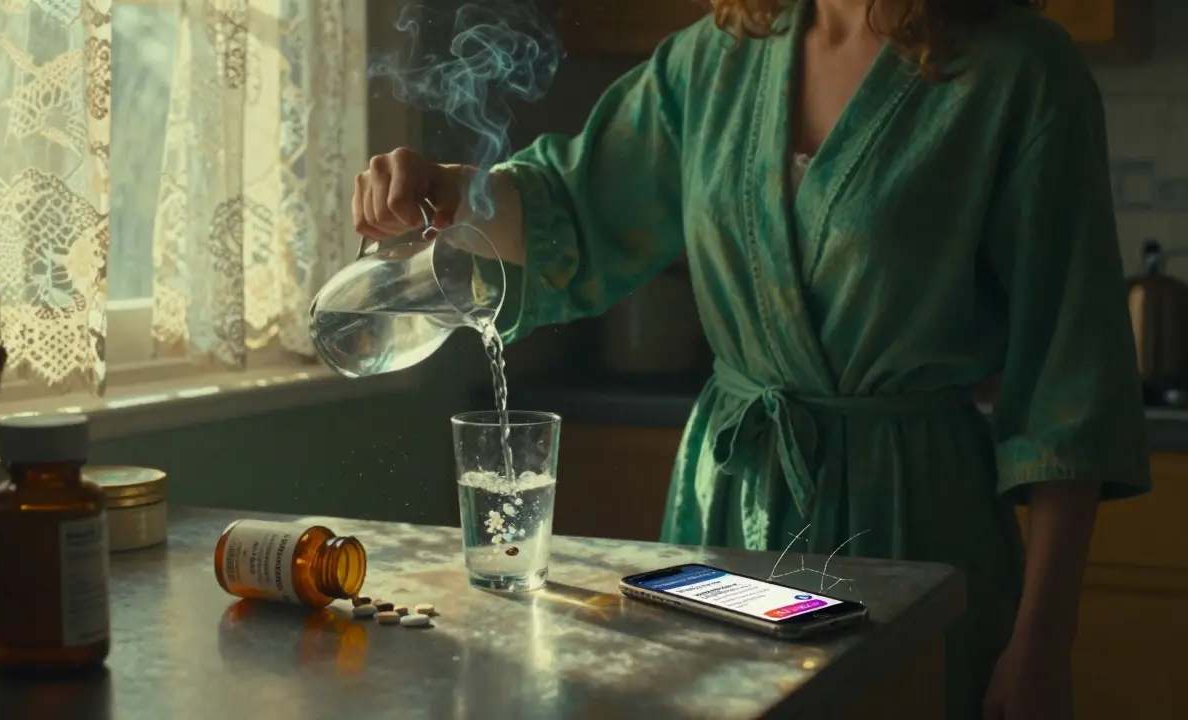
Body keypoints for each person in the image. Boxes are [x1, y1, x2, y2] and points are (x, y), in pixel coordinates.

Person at [352, 0, 1150, 717]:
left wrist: (1044, 639)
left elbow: (1067, 378)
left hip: (912, 513)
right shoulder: (716, 56)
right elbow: (576, 206)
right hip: (728, 506)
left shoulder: (1020, 73)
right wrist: (449, 191)